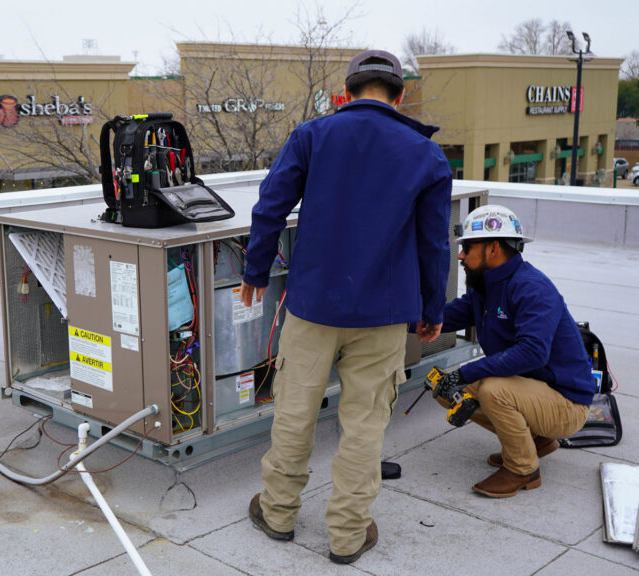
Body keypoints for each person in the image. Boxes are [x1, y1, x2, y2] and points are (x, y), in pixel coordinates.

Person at [239, 49, 452, 564]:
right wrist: (432, 308)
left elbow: (270, 206)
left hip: (313, 308)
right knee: (365, 426)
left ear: (347, 93)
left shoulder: (313, 135)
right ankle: (348, 536)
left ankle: (279, 512)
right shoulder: (426, 155)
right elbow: (434, 244)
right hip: (383, 317)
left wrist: (255, 273)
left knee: (294, 413)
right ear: (399, 96)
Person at [436, 204, 594, 498]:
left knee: (493, 390)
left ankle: (523, 469)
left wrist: (466, 371)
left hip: (567, 403)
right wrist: (404, 321)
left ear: (493, 248)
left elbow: (532, 353)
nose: (460, 255)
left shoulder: (532, 288)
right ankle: (536, 441)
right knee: (444, 388)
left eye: (467, 247)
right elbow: (452, 315)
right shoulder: (486, 286)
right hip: (535, 388)